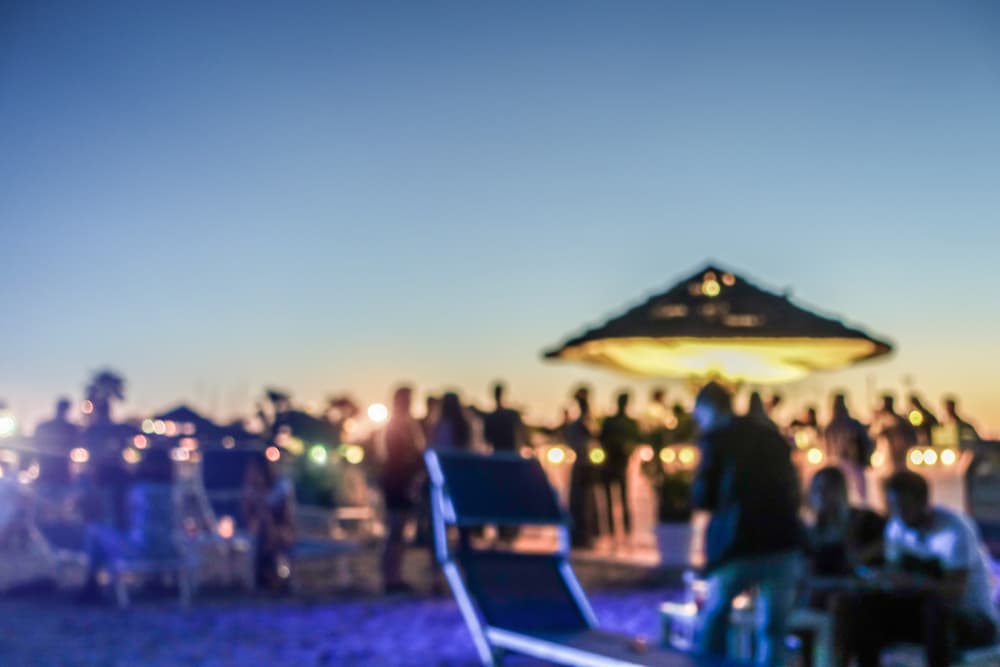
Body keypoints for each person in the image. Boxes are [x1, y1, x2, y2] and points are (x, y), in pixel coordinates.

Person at [691, 382, 804, 667]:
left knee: (714, 621)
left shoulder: (717, 438)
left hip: (738, 543)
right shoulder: (768, 434)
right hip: (782, 541)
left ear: (707, 409)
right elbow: (792, 486)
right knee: (773, 631)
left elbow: (704, 497)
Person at [845, 471, 998, 667]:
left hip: (973, 620)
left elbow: (954, 592)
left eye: (904, 506)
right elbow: (896, 573)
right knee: (865, 607)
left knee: (936, 611)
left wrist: (913, 582)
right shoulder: (896, 528)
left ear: (923, 500)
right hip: (926, 616)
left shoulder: (953, 530)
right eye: (893, 507)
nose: (899, 513)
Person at [803, 466, 885, 667]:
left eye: (828, 489)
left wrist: (858, 555)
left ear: (841, 491)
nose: (822, 495)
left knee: (840, 604)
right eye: (818, 490)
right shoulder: (813, 530)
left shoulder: (864, 519)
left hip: (861, 589)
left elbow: (884, 547)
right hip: (822, 588)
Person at [78, 448, 176, 602]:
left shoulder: (138, 490)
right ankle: (102, 586)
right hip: (170, 550)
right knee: (104, 535)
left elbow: (126, 522)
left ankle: (92, 585)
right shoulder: (175, 490)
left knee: (95, 531)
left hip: (141, 552)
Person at [376, 386, 425, 593]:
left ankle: (393, 576)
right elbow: (402, 456)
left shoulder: (403, 425)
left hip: (400, 484)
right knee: (395, 531)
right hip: (397, 485)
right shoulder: (397, 426)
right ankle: (391, 577)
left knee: (397, 532)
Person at [242, 452, 295, 589]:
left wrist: (282, 528)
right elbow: (248, 516)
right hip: (262, 534)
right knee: (264, 533)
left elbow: (287, 515)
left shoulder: (280, 487)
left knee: (270, 536)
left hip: (279, 531)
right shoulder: (251, 491)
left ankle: (272, 576)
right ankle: (269, 577)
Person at [597, 392, 640, 545]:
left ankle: (627, 533)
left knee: (623, 499)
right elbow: (601, 439)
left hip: (621, 464)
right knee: (611, 500)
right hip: (610, 464)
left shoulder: (628, 423)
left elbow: (636, 440)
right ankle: (612, 533)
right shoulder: (612, 422)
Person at [823, 393, 875, 502]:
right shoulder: (833, 426)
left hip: (851, 461)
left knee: (858, 493)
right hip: (839, 462)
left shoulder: (848, 424)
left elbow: (865, 441)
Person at [566, 389, 598, 549]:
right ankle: (581, 537)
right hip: (582, 466)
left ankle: (583, 537)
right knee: (581, 502)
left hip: (583, 466)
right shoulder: (579, 425)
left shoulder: (581, 424)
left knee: (584, 502)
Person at [871, 395, 917, 472]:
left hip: (899, 452)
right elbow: (873, 435)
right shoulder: (881, 421)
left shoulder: (900, 421)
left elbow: (912, 436)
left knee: (899, 471)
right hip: (885, 454)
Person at [481, 383, 525, 453]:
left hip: (509, 454)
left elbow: (487, 438)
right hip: (501, 454)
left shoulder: (512, 415)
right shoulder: (511, 415)